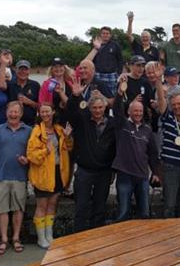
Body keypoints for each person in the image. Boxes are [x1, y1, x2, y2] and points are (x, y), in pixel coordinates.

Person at [65, 80, 117, 232]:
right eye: (94, 107)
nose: (97, 110)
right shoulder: (82, 121)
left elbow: (115, 147)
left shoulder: (112, 124)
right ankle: (78, 238)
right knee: (81, 207)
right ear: (89, 108)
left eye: (100, 107)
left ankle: (96, 240)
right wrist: (75, 96)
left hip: (104, 172)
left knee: (100, 208)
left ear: (105, 107)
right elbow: (71, 112)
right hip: (84, 171)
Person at [0, 101, 32, 255]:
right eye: (11, 111)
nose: (13, 114)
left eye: (16, 111)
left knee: (18, 208)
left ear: (21, 114)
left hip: (20, 176)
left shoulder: (29, 130)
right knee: (1, 209)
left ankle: (16, 238)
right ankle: (4, 239)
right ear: (6, 112)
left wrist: (28, 160)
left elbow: (34, 152)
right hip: (1, 175)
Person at [112, 78, 164, 221]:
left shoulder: (147, 130)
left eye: (140, 111)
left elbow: (153, 154)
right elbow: (116, 109)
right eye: (135, 111)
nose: (138, 114)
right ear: (129, 111)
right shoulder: (122, 124)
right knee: (123, 212)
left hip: (142, 176)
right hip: (125, 174)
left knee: (145, 213)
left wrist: (156, 172)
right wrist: (120, 93)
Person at [28, 103, 74, 247]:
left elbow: (69, 148)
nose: (45, 114)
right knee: (42, 205)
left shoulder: (59, 129)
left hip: (58, 172)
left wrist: (67, 137)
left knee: (52, 204)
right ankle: (41, 238)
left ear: (53, 112)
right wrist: (45, 151)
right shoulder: (36, 131)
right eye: (42, 112)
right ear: (39, 114)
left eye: (48, 111)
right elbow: (31, 155)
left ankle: (49, 234)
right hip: (43, 173)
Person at [92, 26, 124, 94]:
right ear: (100, 34)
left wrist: (119, 73)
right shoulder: (96, 45)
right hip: (98, 74)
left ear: (110, 35)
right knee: (97, 95)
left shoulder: (115, 45)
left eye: (107, 33)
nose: (105, 35)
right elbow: (92, 60)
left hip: (111, 75)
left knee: (111, 94)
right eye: (103, 33)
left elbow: (120, 60)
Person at [9, 60, 41, 126]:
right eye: (20, 69)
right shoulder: (10, 85)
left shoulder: (35, 85)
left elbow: (41, 107)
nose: (23, 72)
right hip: (13, 124)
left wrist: (30, 102)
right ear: (16, 70)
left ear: (29, 71)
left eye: (25, 69)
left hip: (31, 124)